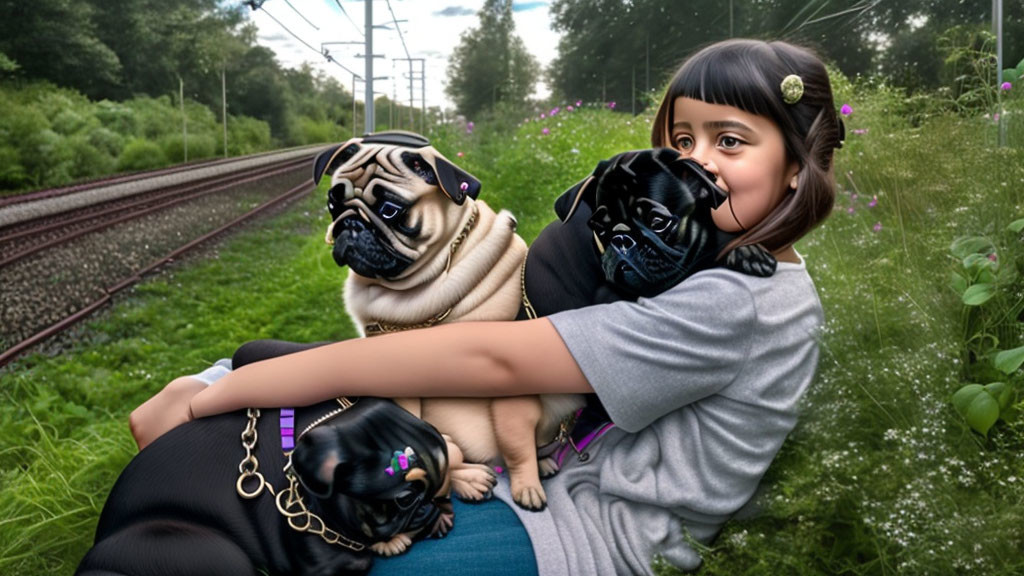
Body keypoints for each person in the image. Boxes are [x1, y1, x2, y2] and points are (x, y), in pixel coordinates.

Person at [131, 38, 842, 575]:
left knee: (314, 529)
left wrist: (218, 398)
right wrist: (231, 378)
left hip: (590, 530)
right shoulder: (713, 252)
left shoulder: (737, 304)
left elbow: (488, 355)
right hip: (554, 468)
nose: (696, 160)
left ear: (795, 167)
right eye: (682, 138)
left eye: (730, 140)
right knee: (268, 411)